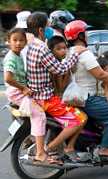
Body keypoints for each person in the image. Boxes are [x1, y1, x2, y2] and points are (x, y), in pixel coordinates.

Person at [64, 20, 108, 157]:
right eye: (85, 32)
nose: (87, 35)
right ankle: (106, 148)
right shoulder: (84, 53)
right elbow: (102, 75)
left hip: (74, 96)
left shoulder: (69, 52)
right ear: (79, 36)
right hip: (88, 98)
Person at [26, 12, 88, 164]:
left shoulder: (30, 46)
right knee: (80, 119)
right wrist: (75, 54)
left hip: (36, 95)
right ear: (41, 30)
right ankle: (48, 149)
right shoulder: (42, 49)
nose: (50, 29)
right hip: (46, 99)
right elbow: (60, 69)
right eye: (47, 26)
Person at [3, 28, 50, 164]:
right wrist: (23, 88)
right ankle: (40, 153)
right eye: (15, 40)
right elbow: (7, 78)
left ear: (25, 42)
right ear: (8, 42)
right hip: (16, 92)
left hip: (18, 90)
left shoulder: (18, 55)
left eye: (21, 40)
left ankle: (35, 139)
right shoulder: (11, 57)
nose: (18, 43)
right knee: (39, 115)